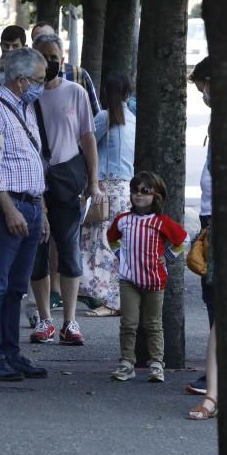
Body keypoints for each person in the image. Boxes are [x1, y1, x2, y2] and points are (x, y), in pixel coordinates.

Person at [0, 46, 51, 381]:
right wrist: (7, 208)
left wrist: (42, 211)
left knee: (17, 287)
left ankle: (10, 352)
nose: (42, 85)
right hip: (9, 207)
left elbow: (32, 161)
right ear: (21, 81)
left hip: (31, 205)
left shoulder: (26, 107)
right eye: (38, 79)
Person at [27, 34, 102, 347]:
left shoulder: (76, 92)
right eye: (44, 56)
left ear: (63, 56)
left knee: (69, 250)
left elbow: (87, 138)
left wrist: (93, 183)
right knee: (38, 252)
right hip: (33, 182)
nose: (51, 61)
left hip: (67, 181)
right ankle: (45, 319)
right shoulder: (27, 95)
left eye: (55, 55)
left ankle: (70, 322)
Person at [106, 171, 187, 383]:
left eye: (145, 191)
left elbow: (182, 240)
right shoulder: (123, 220)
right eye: (135, 191)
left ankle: (157, 363)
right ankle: (126, 362)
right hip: (129, 279)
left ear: (156, 196)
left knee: (153, 324)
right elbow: (111, 237)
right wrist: (120, 256)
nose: (138, 195)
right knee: (129, 323)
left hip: (155, 280)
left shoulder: (161, 222)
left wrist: (167, 257)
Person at [78, 72, 136, 318]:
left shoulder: (104, 117)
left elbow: (85, 145)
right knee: (117, 243)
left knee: (98, 242)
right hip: (126, 188)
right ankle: (116, 297)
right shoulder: (133, 119)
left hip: (104, 187)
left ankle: (105, 297)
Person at [186, 58, 219, 419]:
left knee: (216, 296)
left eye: (202, 87)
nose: (202, 95)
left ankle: (217, 374)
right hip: (211, 212)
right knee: (212, 296)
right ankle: (215, 372)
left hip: (219, 216)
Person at [29, 22, 101, 115]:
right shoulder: (26, 80)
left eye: (50, 37)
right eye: (40, 39)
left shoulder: (78, 74)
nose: (47, 42)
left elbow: (96, 114)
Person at [0, 25, 28, 93]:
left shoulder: (33, 74)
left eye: (15, 46)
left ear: (24, 48)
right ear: (1, 45)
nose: (10, 50)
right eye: (6, 46)